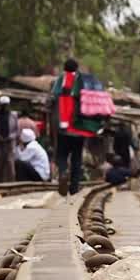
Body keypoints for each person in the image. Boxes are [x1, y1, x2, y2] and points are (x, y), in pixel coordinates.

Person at [49, 58, 93, 195]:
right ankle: (74, 187)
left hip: (63, 127)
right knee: (77, 158)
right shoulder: (83, 82)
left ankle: (63, 172)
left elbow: (52, 99)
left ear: (65, 68)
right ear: (77, 68)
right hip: (79, 129)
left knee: (61, 155)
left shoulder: (60, 80)